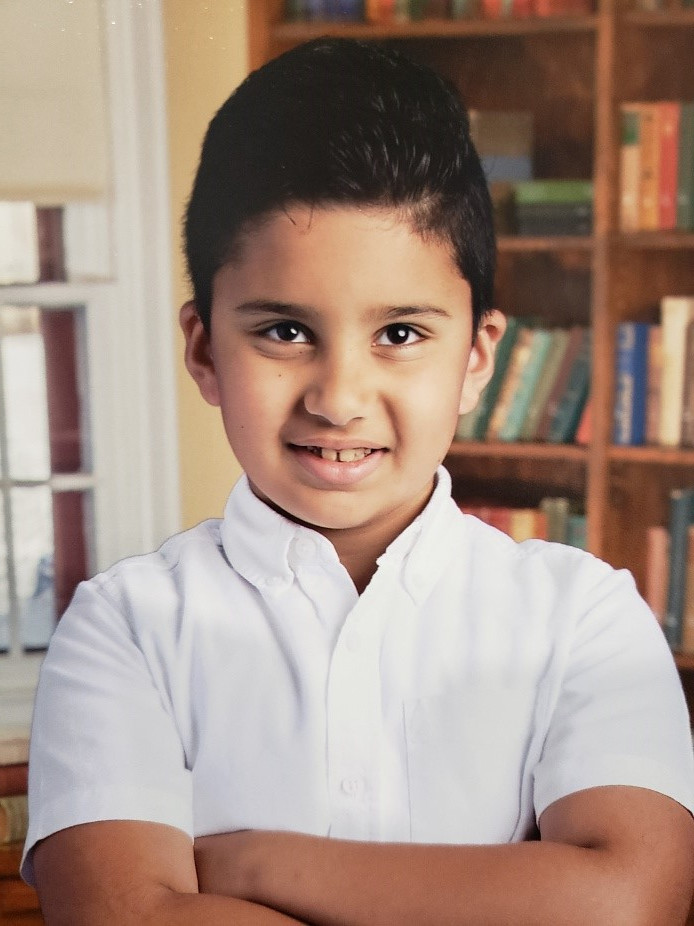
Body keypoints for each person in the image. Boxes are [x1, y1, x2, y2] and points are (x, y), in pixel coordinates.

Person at [23, 37, 694, 925]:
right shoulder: (126, 629)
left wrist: (255, 864)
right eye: (285, 332)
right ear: (202, 348)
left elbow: (623, 905)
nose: (340, 399)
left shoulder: (586, 618)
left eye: (402, 334)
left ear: (477, 356)